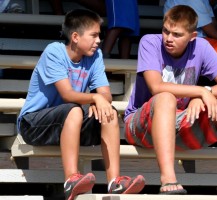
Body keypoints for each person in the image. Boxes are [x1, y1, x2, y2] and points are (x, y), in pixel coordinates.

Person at [124, 5, 217, 196]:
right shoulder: (149, 42)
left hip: (180, 125)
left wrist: (205, 92)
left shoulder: (201, 46)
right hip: (141, 126)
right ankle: (168, 178)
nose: (168, 38)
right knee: (166, 98)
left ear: (192, 37)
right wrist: (199, 92)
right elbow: (156, 87)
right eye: (166, 31)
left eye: (176, 34)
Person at [16, 9, 145, 200]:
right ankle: (71, 179)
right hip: (33, 124)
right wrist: (93, 99)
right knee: (75, 110)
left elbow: (105, 95)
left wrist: (99, 102)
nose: (99, 40)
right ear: (75, 37)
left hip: (70, 121)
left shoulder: (95, 56)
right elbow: (67, 94)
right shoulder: (54, 51)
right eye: (94, 35)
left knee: (108, 112)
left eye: (99, 35)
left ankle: (115, 182)